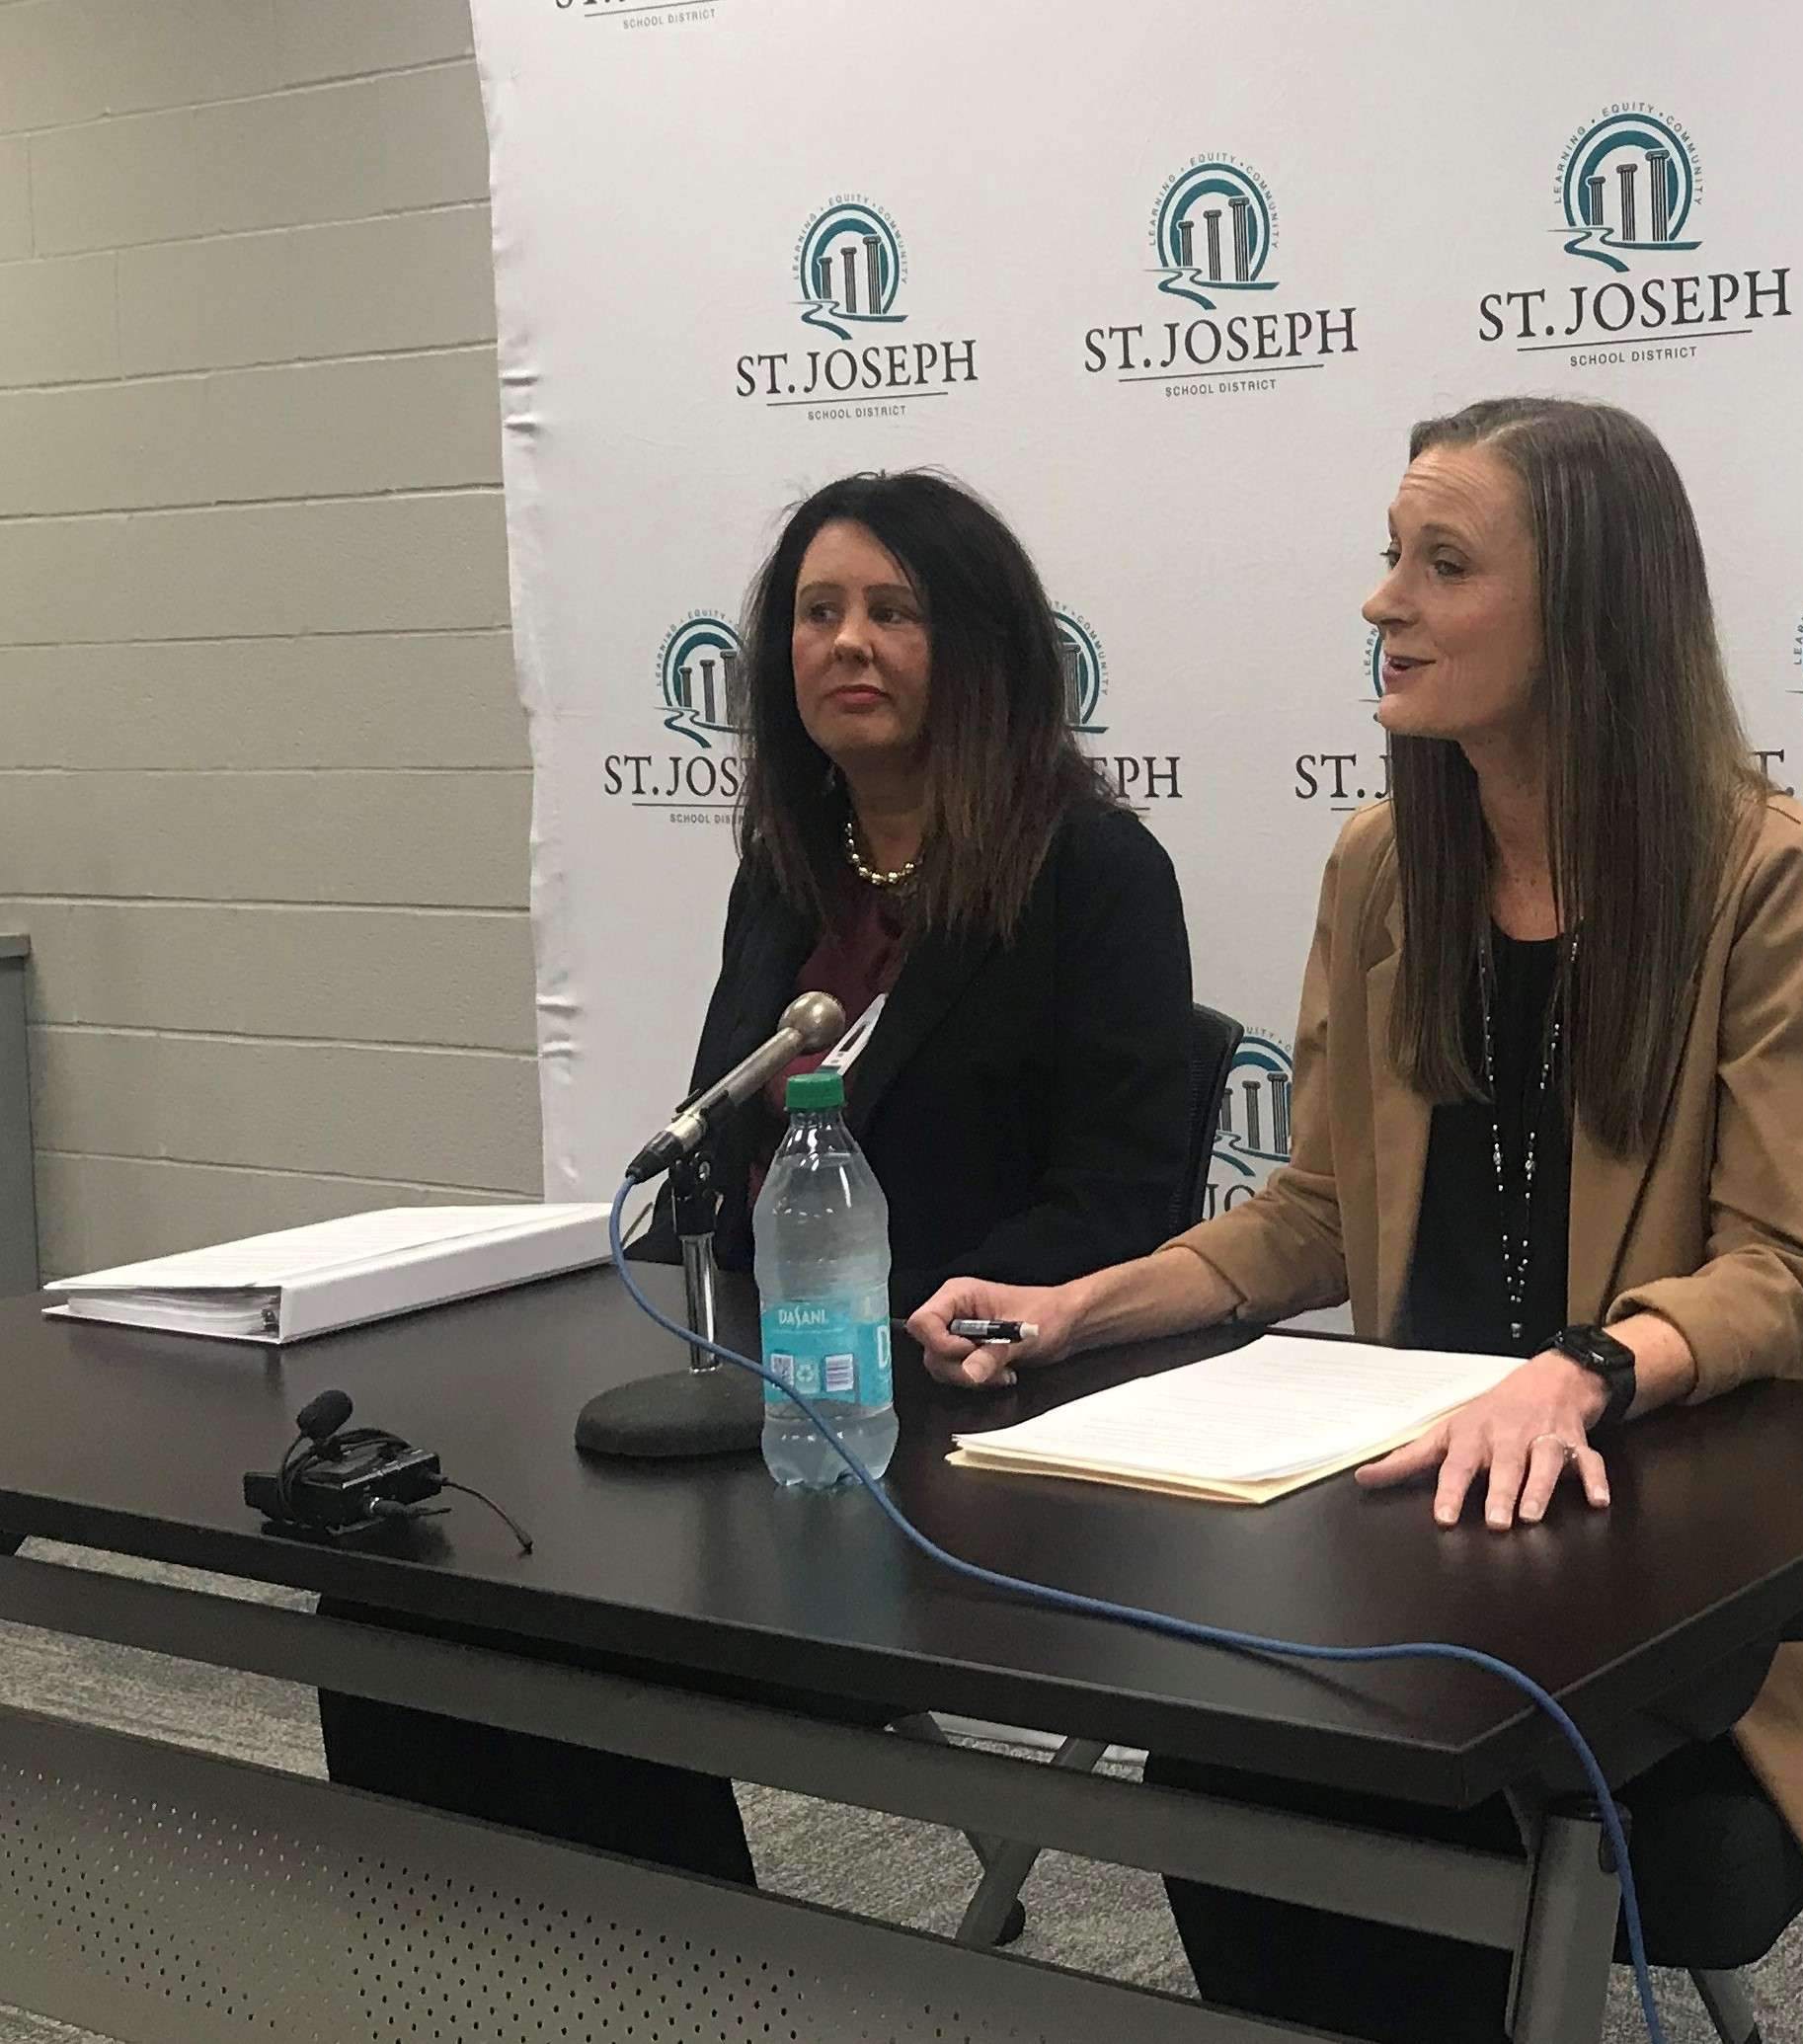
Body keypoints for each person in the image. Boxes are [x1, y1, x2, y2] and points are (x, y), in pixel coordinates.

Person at [908, 399, 1803, 2041]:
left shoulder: (1765, 870)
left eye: (1445, 565)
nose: (1383, 602)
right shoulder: (1382, 864)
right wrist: (1082, 1306)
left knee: (1406, 1781)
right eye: (1390, 557)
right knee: (1226, 1758)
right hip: (1437, 1522)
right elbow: (1317, 1215)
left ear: (1588, 610)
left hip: (1700, 1533)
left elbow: (1782, 1271)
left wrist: (1579, 1370)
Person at [320, 469, 1196, 1886]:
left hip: (960, 1427)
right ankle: (490, 1967)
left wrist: (885, 1324)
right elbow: (724, 1154)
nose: (848, 642)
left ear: (980, 648)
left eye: (895, 611)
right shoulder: (791, 871)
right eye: (817, 611)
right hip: (771, 1403)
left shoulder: (1094, 872)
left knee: (576, 1630)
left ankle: (685, 1974)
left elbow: (1121, 1207)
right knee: (402, 1595)